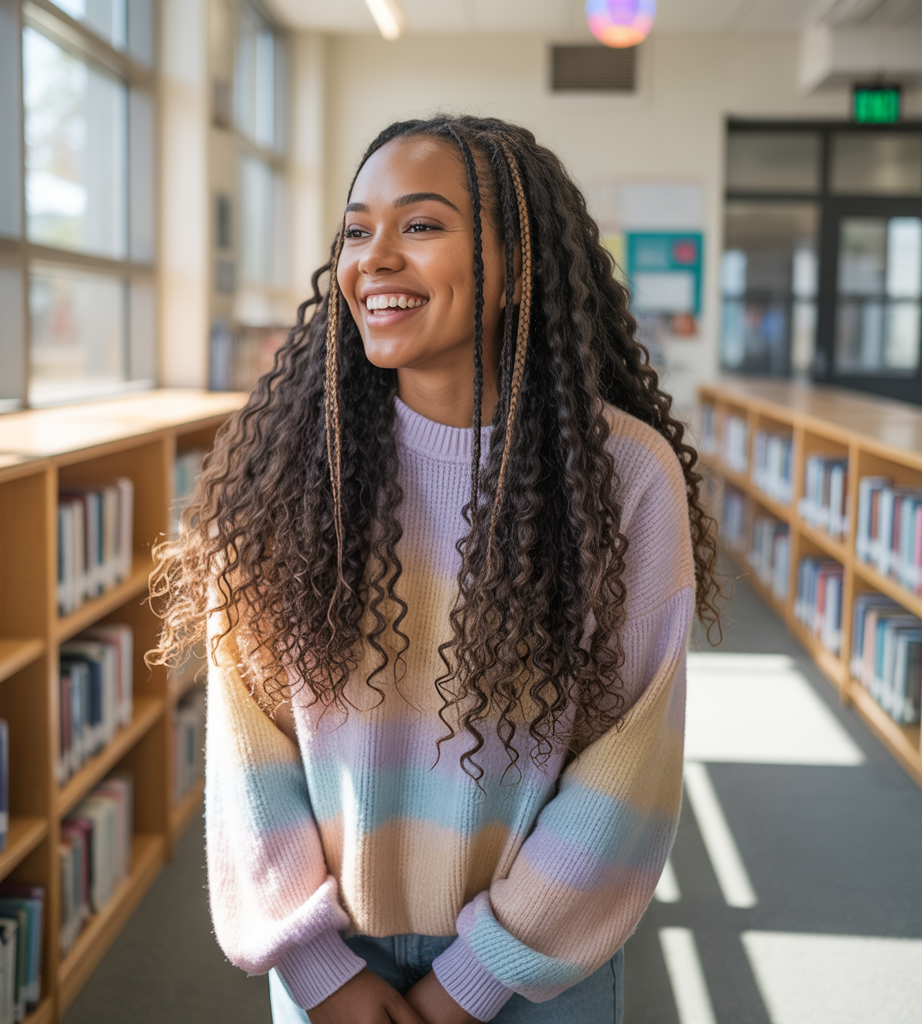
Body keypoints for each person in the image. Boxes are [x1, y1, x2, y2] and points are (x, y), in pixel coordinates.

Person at [150, 114, 721, 1024]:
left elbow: (629, 761)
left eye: (420, 225)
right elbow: (248, 739)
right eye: (356, 229)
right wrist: (315, 965)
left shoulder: (624, 478)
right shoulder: (286, 468)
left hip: (538, 958)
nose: (374, 257)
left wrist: (483, 973)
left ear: (521, 266)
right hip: (331, 953)